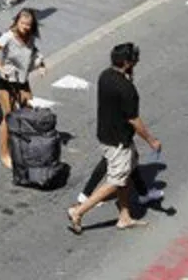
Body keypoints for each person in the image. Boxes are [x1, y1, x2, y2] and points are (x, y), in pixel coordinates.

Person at [67, 43, 160, 234]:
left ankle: (124, 217)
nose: (137, 62)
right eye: (134, 60)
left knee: (126, 174)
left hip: (106, 135)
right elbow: (133, 119)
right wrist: (151, 140)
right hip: (119, 141)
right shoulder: (126, 88)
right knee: (116, 181)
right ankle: (79, 211)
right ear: (127, 62)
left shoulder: (105, 76)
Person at [0, 9, 44, 169]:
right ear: (17, 22)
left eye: (28, 25)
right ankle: (4, 154)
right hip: (6, 81)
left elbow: (34, 52)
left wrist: (41, 65)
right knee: (8, 116)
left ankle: (23, 144)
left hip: (22, 81)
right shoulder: (8, 37)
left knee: (29, 109)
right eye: (22, 23)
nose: (25, 27)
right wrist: (0, 68)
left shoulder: (30, 37)